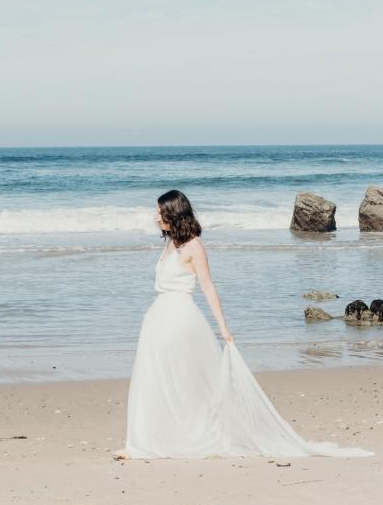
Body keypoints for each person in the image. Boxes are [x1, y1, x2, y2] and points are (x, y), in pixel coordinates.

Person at [114, 189, 374, 460]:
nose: (156, 217)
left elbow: (208, 287)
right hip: (157, 317)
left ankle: (165, 441)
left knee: (178, 380)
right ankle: (142, 443)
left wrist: (223, 327)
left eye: (160, 212)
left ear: (173, 213)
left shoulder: (194, 246)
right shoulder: (170, 244)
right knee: (153, 379)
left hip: (179, 319)